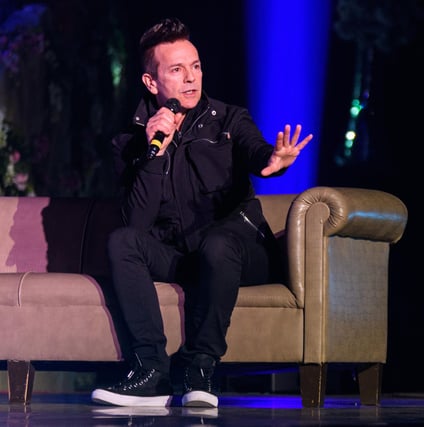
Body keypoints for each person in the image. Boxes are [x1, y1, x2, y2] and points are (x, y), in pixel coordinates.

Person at [91, 17, 312, 408]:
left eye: (195, 66)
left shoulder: (229, 120)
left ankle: (199, 368)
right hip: (182, 257)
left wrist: (274, 160)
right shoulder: (130, 142)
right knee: (122, 241)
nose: (191, 78)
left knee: (218, 243)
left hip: (239, 254)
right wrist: (154, 153)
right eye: (177, 70)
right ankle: (150, 372)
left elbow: (258, 151)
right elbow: (137, 224)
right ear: (151, 83)